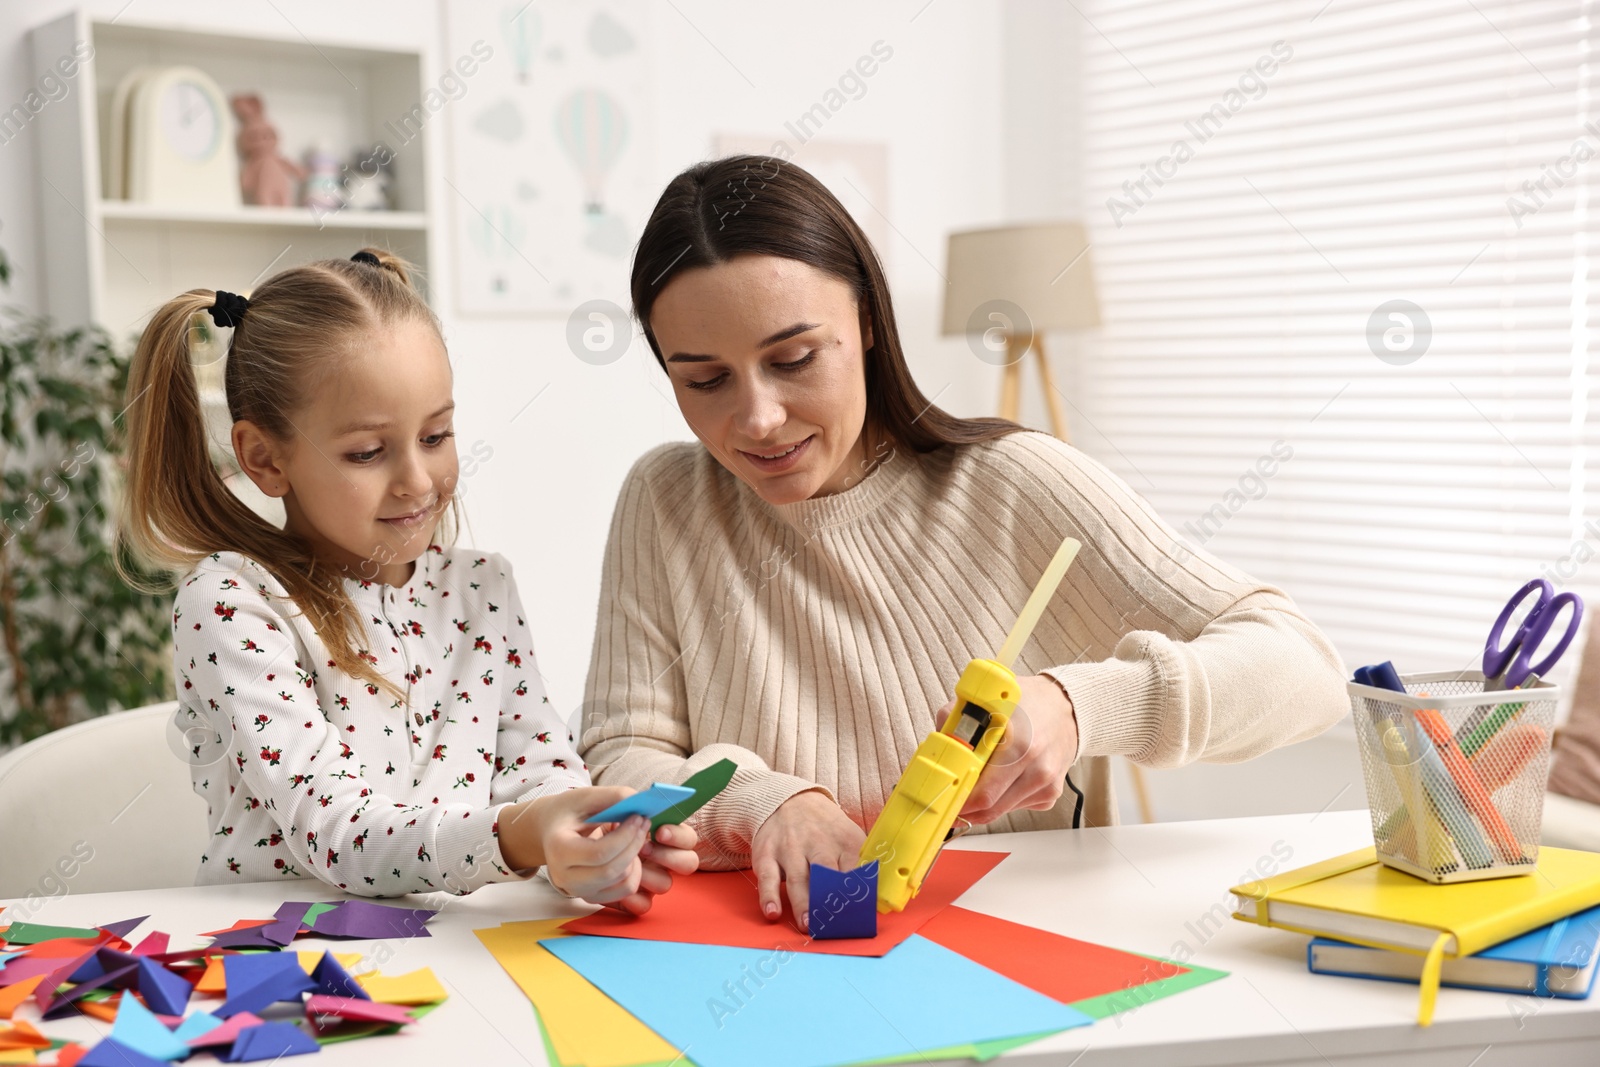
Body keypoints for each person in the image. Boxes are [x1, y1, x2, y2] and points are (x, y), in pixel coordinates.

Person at [580, 156, 1349, 928]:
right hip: (762, 951)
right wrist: (763, 800)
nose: (757, 419)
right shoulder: (666, 501)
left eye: (793, 359)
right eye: (706, 381)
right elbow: (620, 756)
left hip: (1024, 948)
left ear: (869, 323)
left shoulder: (1014, 483)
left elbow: (1305, 667)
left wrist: (1078, 706)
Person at [118, 248, 696, 906]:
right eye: (367, 451)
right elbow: (339, 831)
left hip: (464, 951)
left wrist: (593, 837)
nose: (418, 481)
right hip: (291, 958)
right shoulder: (231, 604)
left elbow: (540, 772)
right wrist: (523, 836)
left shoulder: (482, 589)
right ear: (263, 458)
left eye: (436, 434)